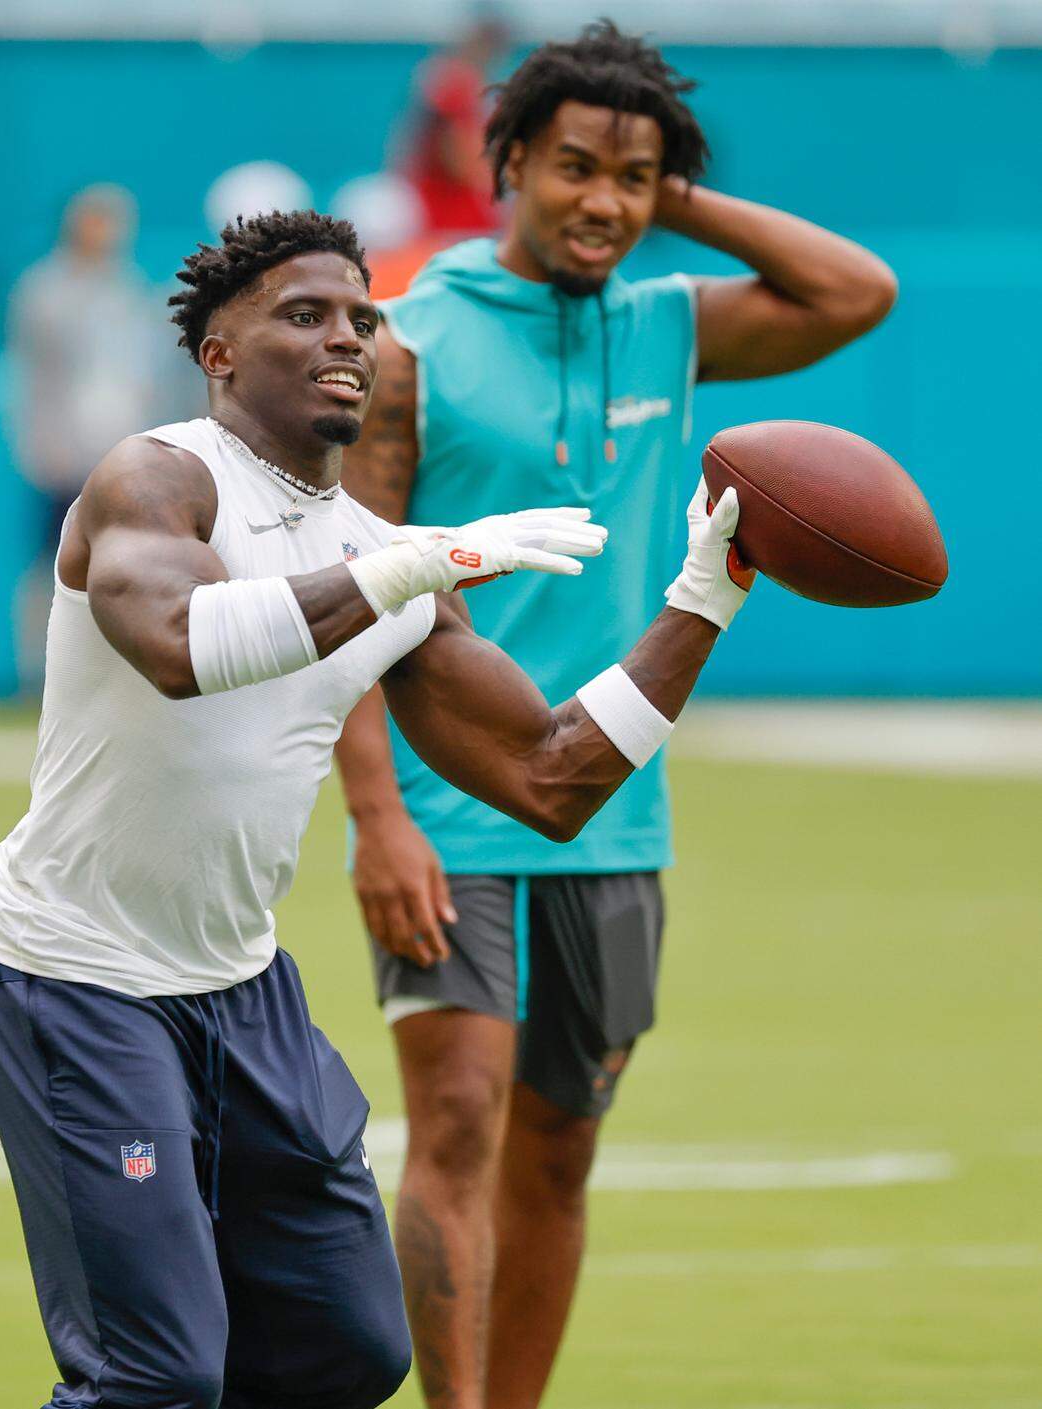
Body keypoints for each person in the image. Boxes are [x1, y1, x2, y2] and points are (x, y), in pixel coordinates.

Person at [0, 208, 752, 1409]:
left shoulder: (389, 557)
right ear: (218, 351)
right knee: (155, 1374)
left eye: (365, 317)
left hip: (239, 988)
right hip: (71, 981)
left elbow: (550, 777)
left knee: (347, 1346)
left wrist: (703, 597)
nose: (349, 337)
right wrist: (407, 568)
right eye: (305, 313)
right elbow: (179, 643)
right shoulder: (159, 478)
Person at [334, 22, 897, 1409]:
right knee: (455, 1126)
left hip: (616, 812)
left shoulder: (669, 320)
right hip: (452, 807)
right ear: (507, 162)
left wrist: (668, 180)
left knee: (561, 1153)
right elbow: (347, 595)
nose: (602, 201)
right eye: (571, 166)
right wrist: (376, 817)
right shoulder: (413, 339)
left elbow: (855, 291)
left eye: (630, 179)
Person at [8, 183, 158, 559]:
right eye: (97, 220)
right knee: (59, 554)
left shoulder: (128, 285)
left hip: (116, 448)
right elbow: (33, 375)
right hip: (63, 456)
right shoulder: (43, 289)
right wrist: (43, 446)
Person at [400, 7, 509, 238]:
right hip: (445, 206)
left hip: (454, 204)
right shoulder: (454, 81)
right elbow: (454, 150)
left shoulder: (467, 81)